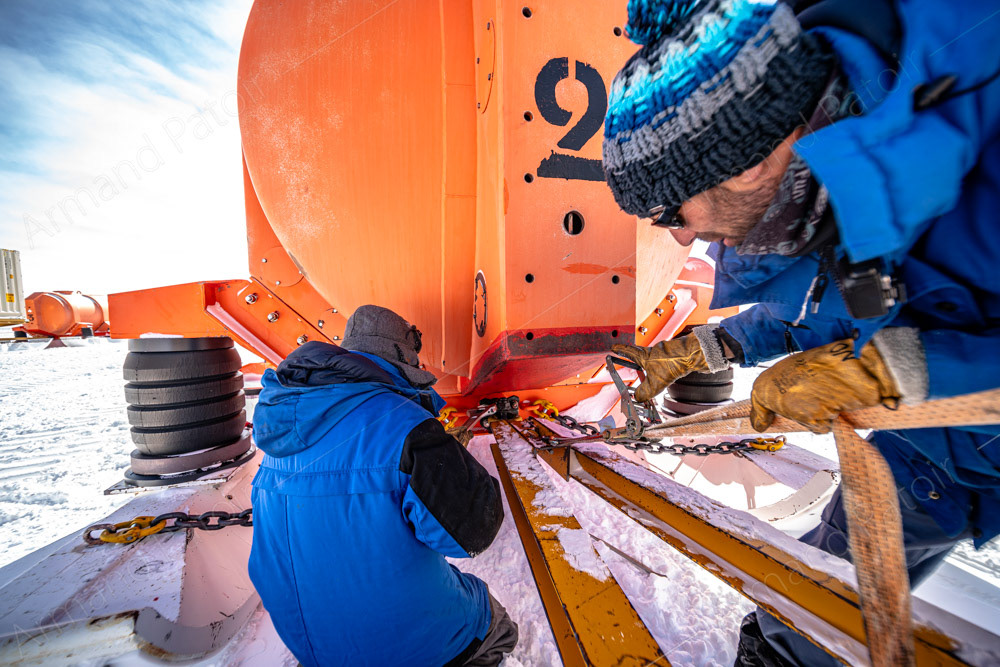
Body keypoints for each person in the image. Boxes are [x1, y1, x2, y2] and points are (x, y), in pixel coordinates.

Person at [601, 0, 1000, 664]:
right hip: (935, 452)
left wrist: (895, 368)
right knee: (809, 616)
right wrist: (708, 347)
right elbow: (834, 303)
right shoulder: (823, 189)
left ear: (748, 164)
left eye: (670, 209)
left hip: (951, 435)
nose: (678, 235)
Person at [248, 305, 517, 666]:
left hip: (309, 646)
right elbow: (472, 534)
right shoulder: (405, 425)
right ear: (404, 362)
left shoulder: (279, 435)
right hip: (399, 649)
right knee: (496, 624)